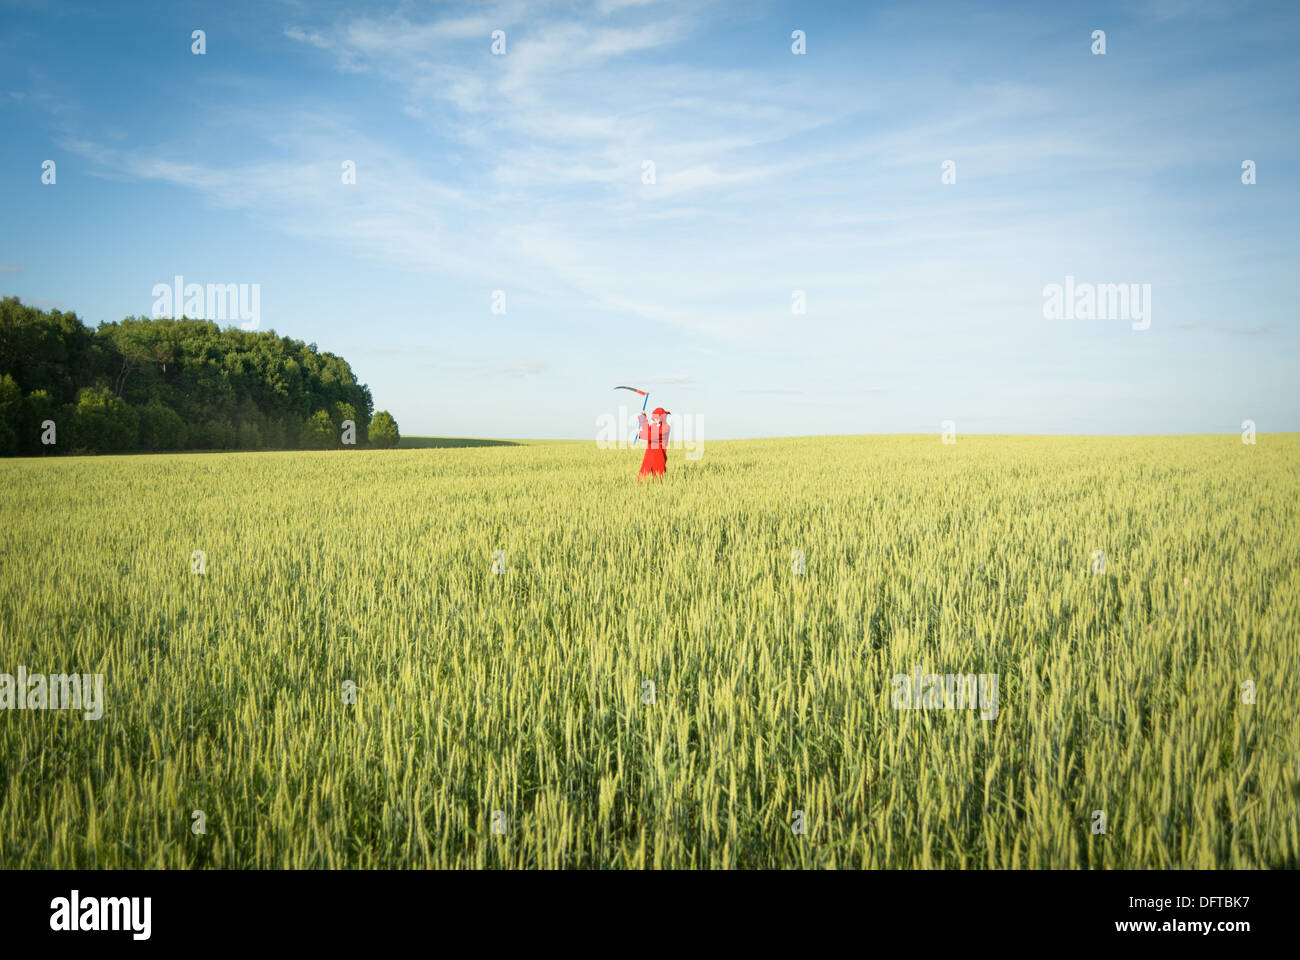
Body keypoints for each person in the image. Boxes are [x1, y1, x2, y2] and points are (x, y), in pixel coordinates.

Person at [637, 407, 670, 482]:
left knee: (659, 477)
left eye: (658, 418)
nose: (656, 420)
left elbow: (654, 436)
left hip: (659, 455)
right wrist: (643, 418)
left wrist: (640, 434)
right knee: (642, 476)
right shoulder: (653, 425)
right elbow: (647, 430)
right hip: (649, 453)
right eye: (655, 418)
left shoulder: (666, 427)